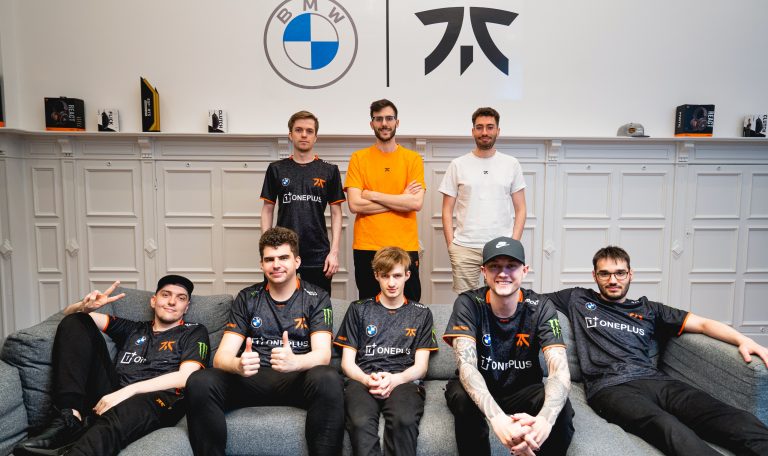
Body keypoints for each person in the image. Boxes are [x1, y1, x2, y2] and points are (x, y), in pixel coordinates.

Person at [546, 245, 768, 456]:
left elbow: (702, 324)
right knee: (670, 429)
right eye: (605, 274)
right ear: (595, 276)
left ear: (630, 274)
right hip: (610, 388)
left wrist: (743, 340)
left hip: (656, 381)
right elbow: (530, 300)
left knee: (733, 418)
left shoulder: (649, 309)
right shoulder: (578, 298)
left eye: (620, 273)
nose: (613, 280)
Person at [185, 227, 344, 456]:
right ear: (261, 264)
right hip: (252, 378)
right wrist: (237, 364)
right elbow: (221, 357)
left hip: (296, 379)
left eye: (283, 258)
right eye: (269, 259)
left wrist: (295, 362)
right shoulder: (247, 298)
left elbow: (323, 354)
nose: (276, 265)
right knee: (199, 381)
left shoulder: (317, 297)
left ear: (297, 261)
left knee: (328, 378)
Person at [14, 275, 209, 456]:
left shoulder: (194, 332)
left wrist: (129, 391)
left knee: (120, 417)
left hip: (157, 399)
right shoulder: (134, 328)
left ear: (186, 307)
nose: (172, 301)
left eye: (181, 298)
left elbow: (186, 377)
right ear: (153, 301)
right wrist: (84, 307)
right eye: (166, 295)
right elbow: (71, 317)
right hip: (111, 393)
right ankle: (70, 418)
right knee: (76, 320)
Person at [443, 237, 573, 456]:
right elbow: (467, 367)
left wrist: (545, 421)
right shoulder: (468, 303)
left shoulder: (542, 307)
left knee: (561, 409)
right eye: (494, 266)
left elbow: (559, 371)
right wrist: (497, 418)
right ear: (484, 272)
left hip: (523, 389)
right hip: (480, 385)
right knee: (463, 400)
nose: (503, 273)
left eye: (511, 266)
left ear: (525, 270)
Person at [334, 246, 438, 456]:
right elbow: (347, 363)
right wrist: (366, 380)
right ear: (376, 276)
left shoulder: (422, 313)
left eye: (397, 276)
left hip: (404, 381)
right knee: (360, 422)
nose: (391, 283)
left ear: (407, 275)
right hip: (364, 380)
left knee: (404, 420)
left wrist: (395, 379)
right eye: (385, 276)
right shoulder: (358, 309)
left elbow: (421, 367)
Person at [439, 107, 527, 294]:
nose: (484, 132)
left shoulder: (511, 164)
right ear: (473, 131)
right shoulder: (458, 164)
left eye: (490, 127)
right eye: (479, 127)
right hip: (464, 247)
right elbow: (446, 209)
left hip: (501, 246)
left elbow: (521, 209)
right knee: (466, 301)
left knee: (501, 298)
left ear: (498, 131)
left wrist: (514, 243)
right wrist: (451, 245)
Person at [345, 99, 425, 302]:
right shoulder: (359, 158)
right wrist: (401, 199)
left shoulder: (413, 159)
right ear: (371, 123)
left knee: (410, 305)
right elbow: (355, 204)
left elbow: (415, 203)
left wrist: (372, 195)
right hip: (367, 245)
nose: (384, 123)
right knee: (368, 305)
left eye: (389, 118)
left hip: (405, 245)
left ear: (397, 122)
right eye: (378, 119)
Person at [261, 110, 345, 294]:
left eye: (309, 131)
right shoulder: (276, 169)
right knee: (277, 301)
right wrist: (267, 248)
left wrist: (334, 252)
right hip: (282, 251)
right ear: (290, 135)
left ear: (315, 137)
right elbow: (267, 209)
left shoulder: (329, 171)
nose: (304, 135)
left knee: (318, 304)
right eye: (298, 130)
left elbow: (336, 213)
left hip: (318, 253)